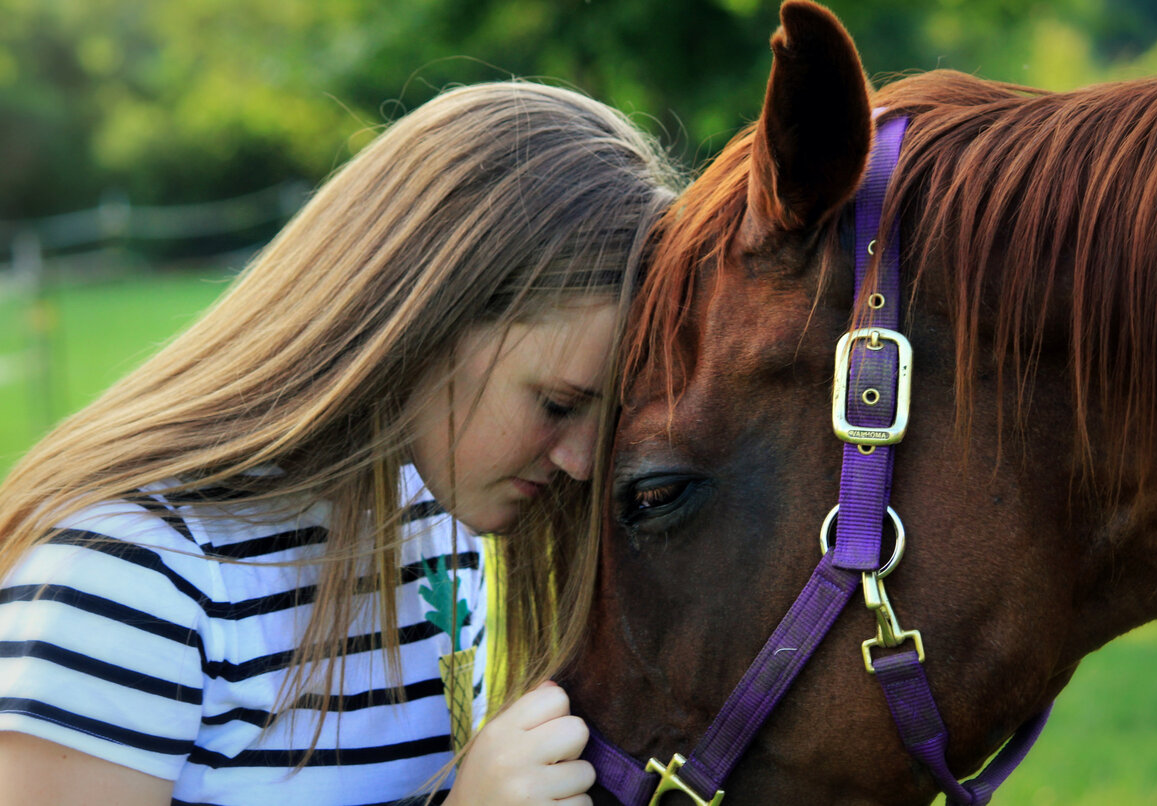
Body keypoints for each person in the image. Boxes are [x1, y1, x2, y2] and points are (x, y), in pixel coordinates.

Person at [0, 81, 682, 805]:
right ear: (429, 315)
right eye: (557, 403)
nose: (579, 462)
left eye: (602, 424)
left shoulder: (437, 523)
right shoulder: (130, 571)